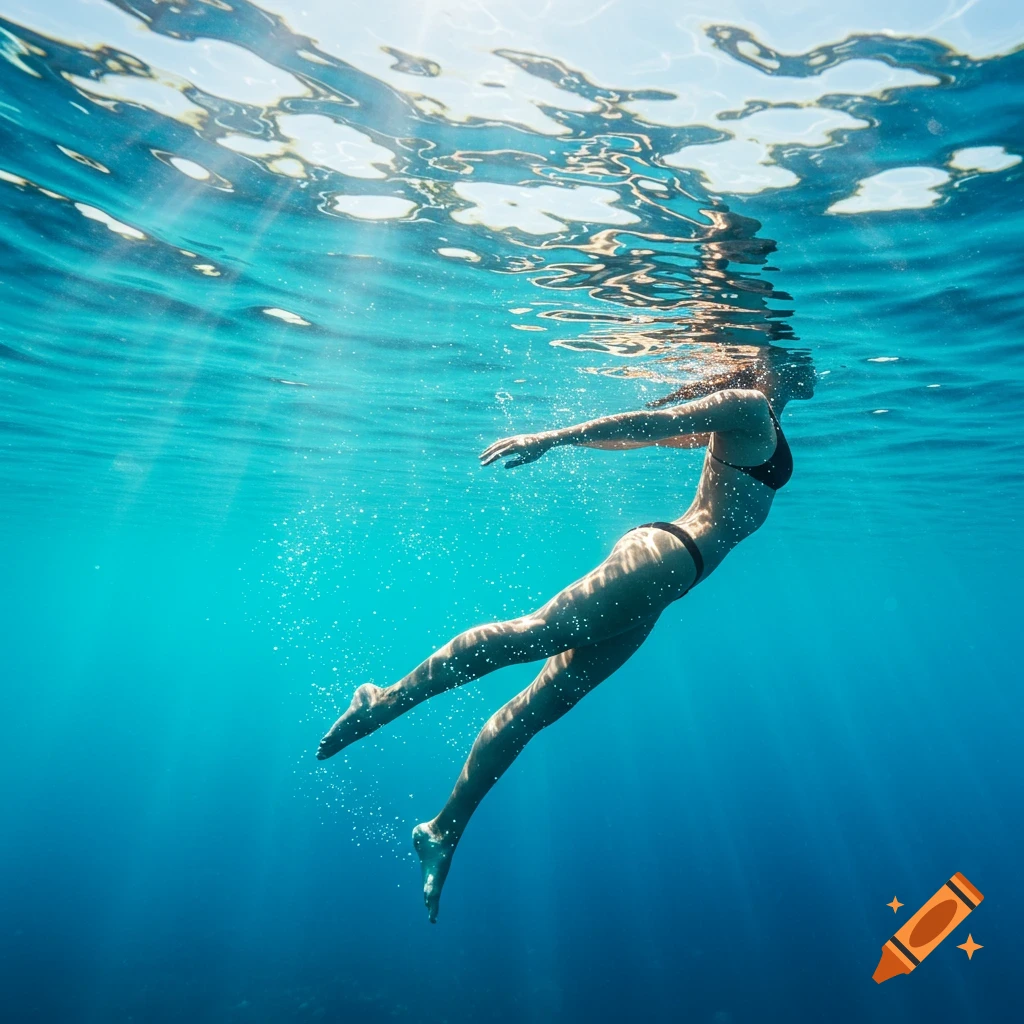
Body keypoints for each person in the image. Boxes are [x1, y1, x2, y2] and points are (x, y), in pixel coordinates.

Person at [317, 356, 812, 922]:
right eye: (791, 360)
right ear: (763, 361)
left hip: (669, 576)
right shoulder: (748, 407)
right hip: (665, 560)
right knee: (530, 637)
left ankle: (442, 830)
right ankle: (382, 699)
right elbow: (645, 427)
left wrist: (777, 387)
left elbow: (659, 434)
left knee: (541, 706)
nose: (811, 371)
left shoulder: (760, 412)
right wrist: (553, 438)